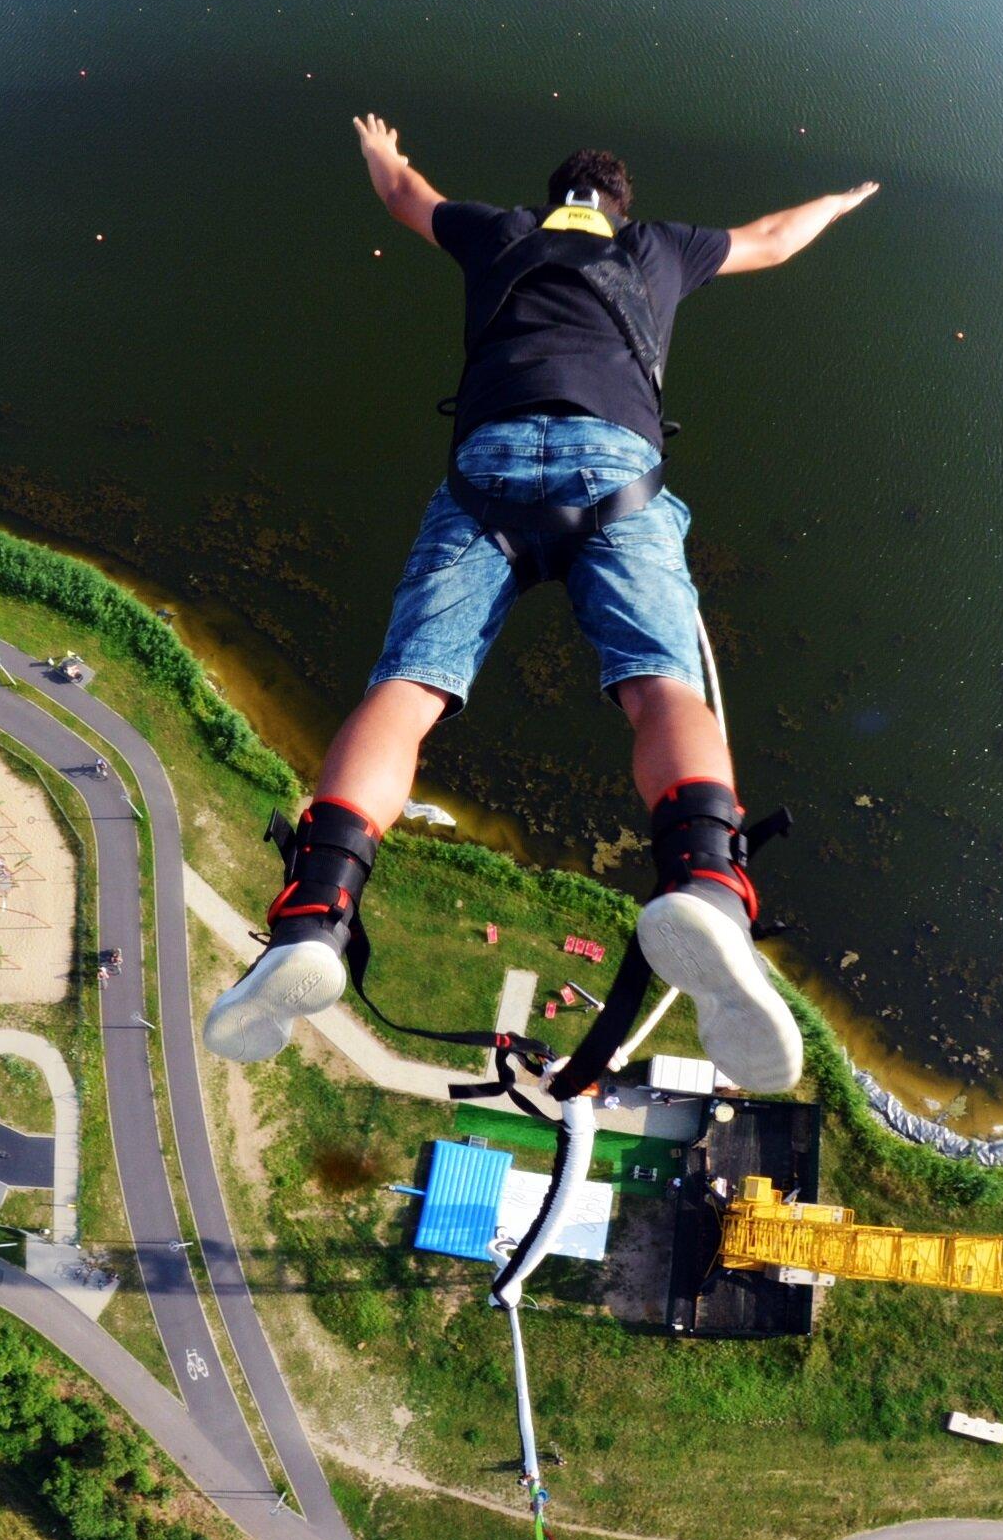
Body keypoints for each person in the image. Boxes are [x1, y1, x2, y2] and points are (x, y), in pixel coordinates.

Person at [202, 116, 878, 1092]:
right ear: (618, 207)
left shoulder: (500, 230)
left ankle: (313, 909)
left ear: (556, 195)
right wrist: (841, 203)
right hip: (618, 476)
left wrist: (374, 148)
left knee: (409, 688)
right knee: (660, 689)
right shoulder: (660, 249)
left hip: (488, 473)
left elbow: (404, 196)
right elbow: (773, 237)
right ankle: (706, 887)